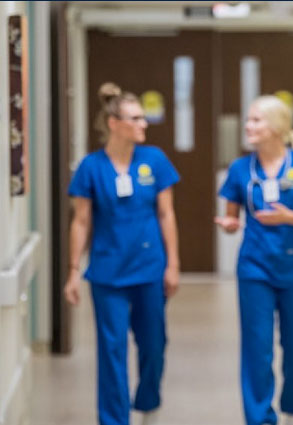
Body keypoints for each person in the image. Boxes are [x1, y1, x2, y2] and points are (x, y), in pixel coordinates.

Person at [64, 82, 181, 425]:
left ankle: (148, 402)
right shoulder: (91, 167)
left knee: (154, 345)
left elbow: (166, 214)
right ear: (114, 123)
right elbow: (81, 222)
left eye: (144, 118)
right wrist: (73, 270)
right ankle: (114, 419)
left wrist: (173, 264)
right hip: (108, 272)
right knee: (111, 350)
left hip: (149, 268)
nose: (144, 124)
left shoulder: (155, 160)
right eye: (135, 118)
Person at [214, 95, 293, 425]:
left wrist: (290, 216)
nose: (248, 127)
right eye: (248, 121)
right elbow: (231, 216)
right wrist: (230, 224)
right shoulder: (239, 169)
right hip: (255, 268)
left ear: (277, 127)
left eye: (255, 121)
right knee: (257, 347)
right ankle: (260, 417)